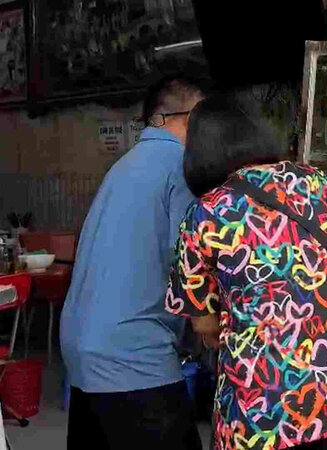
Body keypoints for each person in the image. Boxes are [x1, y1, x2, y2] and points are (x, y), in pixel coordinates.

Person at [165, 85, 327, 450]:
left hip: (257, 418)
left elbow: (201, 320)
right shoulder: (318, 185)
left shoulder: (206, 213)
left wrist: (228, 329)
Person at [60, 78, 205, 450]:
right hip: (135, 358)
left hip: (83, 353)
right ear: (188, 119)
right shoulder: (180, 167)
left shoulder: (122, 167)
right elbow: (190, 264)